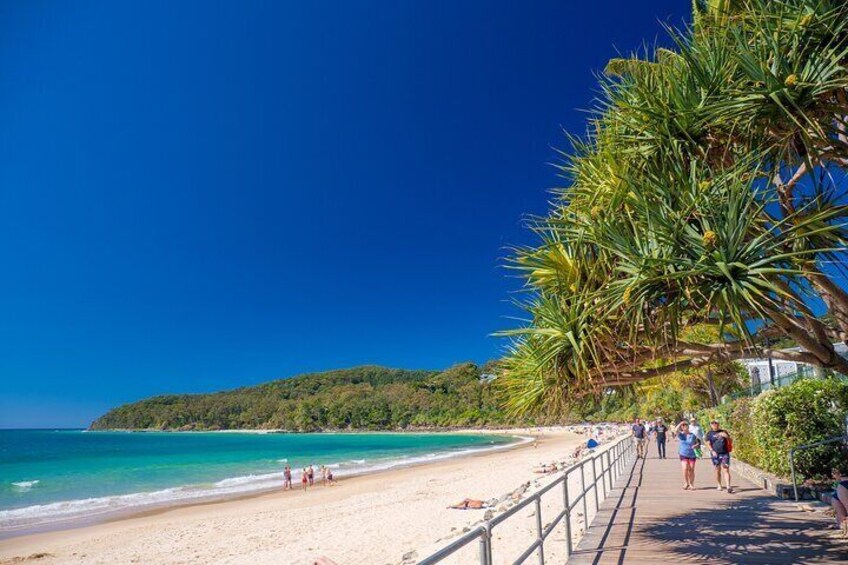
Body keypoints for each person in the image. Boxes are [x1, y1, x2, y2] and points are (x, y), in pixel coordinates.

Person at [705, 420, 733, 493]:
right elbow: (708, 443)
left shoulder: (724, 432)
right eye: (712, 423)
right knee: (717, 470)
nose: (714, 424)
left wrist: (726, 436)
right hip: (715, 453)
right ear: (711, 425)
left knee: (726, 468)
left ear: (718, 424)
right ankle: (719, 484)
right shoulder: (709, 433)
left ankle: (728, 486)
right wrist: (712, 451)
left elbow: (730, 441)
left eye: (716, 423)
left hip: (724, 453)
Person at [672, 420, 700, 489]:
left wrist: (695, 445)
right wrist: (680, 423)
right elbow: (675, 430)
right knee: (685, 468)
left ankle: (691, 484)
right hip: (683, 453)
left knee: (691, 469)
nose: (684, 426)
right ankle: (686, 483)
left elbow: (698, 443)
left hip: (691, 454)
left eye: (685, 425)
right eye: (683, 426)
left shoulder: (692, 435)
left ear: (688, 426)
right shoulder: (681, 435)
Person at [829, 467, 848, 535]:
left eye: (833, 473)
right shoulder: (839, 482)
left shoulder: (842, 482)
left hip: (843, 486)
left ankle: (843, 527)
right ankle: (842, 526)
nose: (832, 475)